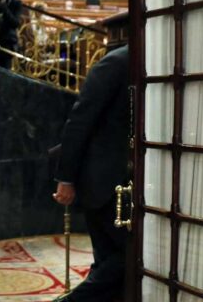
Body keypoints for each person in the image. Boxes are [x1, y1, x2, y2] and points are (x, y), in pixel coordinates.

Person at [52, 44, 130, 302]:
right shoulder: (115, 63)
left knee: (109, 265)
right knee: (128, 257)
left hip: (131, 184)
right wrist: (66, 178)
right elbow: (79, 122)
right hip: (102, 183)